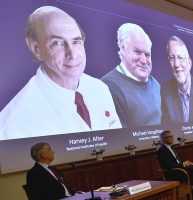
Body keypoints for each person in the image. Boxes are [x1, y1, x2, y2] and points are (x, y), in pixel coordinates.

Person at [0, 6, 121, 140]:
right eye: (57, 43)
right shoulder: (13, 124)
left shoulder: (100, 88)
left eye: (76, 41)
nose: (73, 54)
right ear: (37, 49)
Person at [101, 23, 161, 128]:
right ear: (122, 49)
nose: (143, 61)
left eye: (147, 55)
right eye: (137, 52)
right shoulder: (107, 87)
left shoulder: (155, 83)